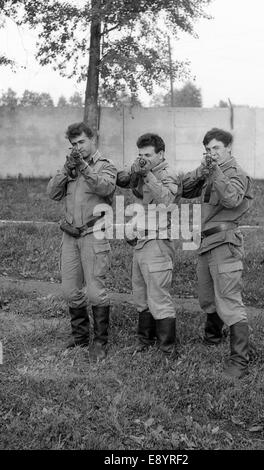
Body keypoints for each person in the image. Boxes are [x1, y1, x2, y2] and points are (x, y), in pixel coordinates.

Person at [182, 128, 253, 379]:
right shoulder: (209, 172)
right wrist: (202, 170)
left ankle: (239, 361)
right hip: (205, 242)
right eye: (208, 150)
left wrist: (215, 171)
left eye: (217, 149)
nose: (212, 153)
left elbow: (232, 199)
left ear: (229, 148)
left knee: (229, 300)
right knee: (207, 297)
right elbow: (184, 189)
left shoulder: (236, 174)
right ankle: (213, 337)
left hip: (225, 242)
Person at [47, 122, 117, 361]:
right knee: (69, 291)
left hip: (93, 234)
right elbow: (52, 193)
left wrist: (84, 167)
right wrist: (67, 169)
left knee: (96, 292)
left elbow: (105, 186)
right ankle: (79, 337)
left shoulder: (105, 166)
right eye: (74, 144)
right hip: (70, 236)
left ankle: (99, 342)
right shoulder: (71, 167)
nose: (78, 147)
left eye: (81, 142)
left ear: (93, 138)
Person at [116, 133, 181, 357]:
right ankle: (145, 341)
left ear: (161, 154)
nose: (144, 158)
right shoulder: (141, 171)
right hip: (141, 241)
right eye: (140, 154)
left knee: (159, 298)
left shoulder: (167, 174)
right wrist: (135, 171)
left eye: (148, 155)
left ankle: (167, 349)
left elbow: (167, 200)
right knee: (141, 296)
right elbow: (128, 186)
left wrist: (148, 174)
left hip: (158, 241)